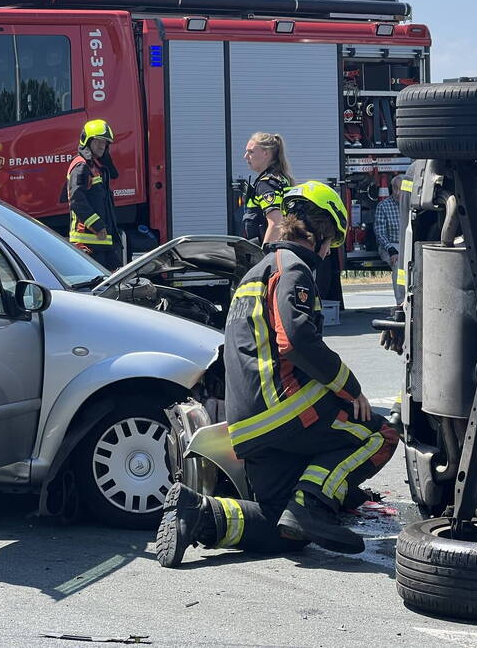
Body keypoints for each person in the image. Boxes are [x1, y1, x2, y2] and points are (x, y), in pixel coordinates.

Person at [156, 181, 400, 567]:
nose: (331, 249)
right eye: (333, 240)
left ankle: (200, 514)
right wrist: (351, 390)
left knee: (284, 529)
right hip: (282, 411)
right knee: (382, 433)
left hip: (248, 427)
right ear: (320, 232)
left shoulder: (254, 274)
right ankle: (313, 502)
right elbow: (297, 340)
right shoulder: (294, 269)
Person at [66, 119, 122, 270]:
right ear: (88, 141)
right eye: (98, 141)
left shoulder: (97, 167)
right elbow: (77, 201)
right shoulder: (81, 166)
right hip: (88, 242)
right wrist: (97, 226)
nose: (102, 146)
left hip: (101, 242)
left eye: (105, 142)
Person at [242, 132, 293, 246]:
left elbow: (276, 223)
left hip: (269, 252)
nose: (245, 156)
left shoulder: (266, 184)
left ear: (266, 153)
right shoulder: (281, 178)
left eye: (251, 152)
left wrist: (265, 257)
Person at [375, 174, 405, 305]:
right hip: (392, 245)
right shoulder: (383, 206)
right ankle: (401, 302)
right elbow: (380, 233)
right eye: (395, 188)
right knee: (399, 266)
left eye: (401, 189)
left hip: (408, 243)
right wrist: (392, 250)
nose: (397, 193)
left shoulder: (413, 206)